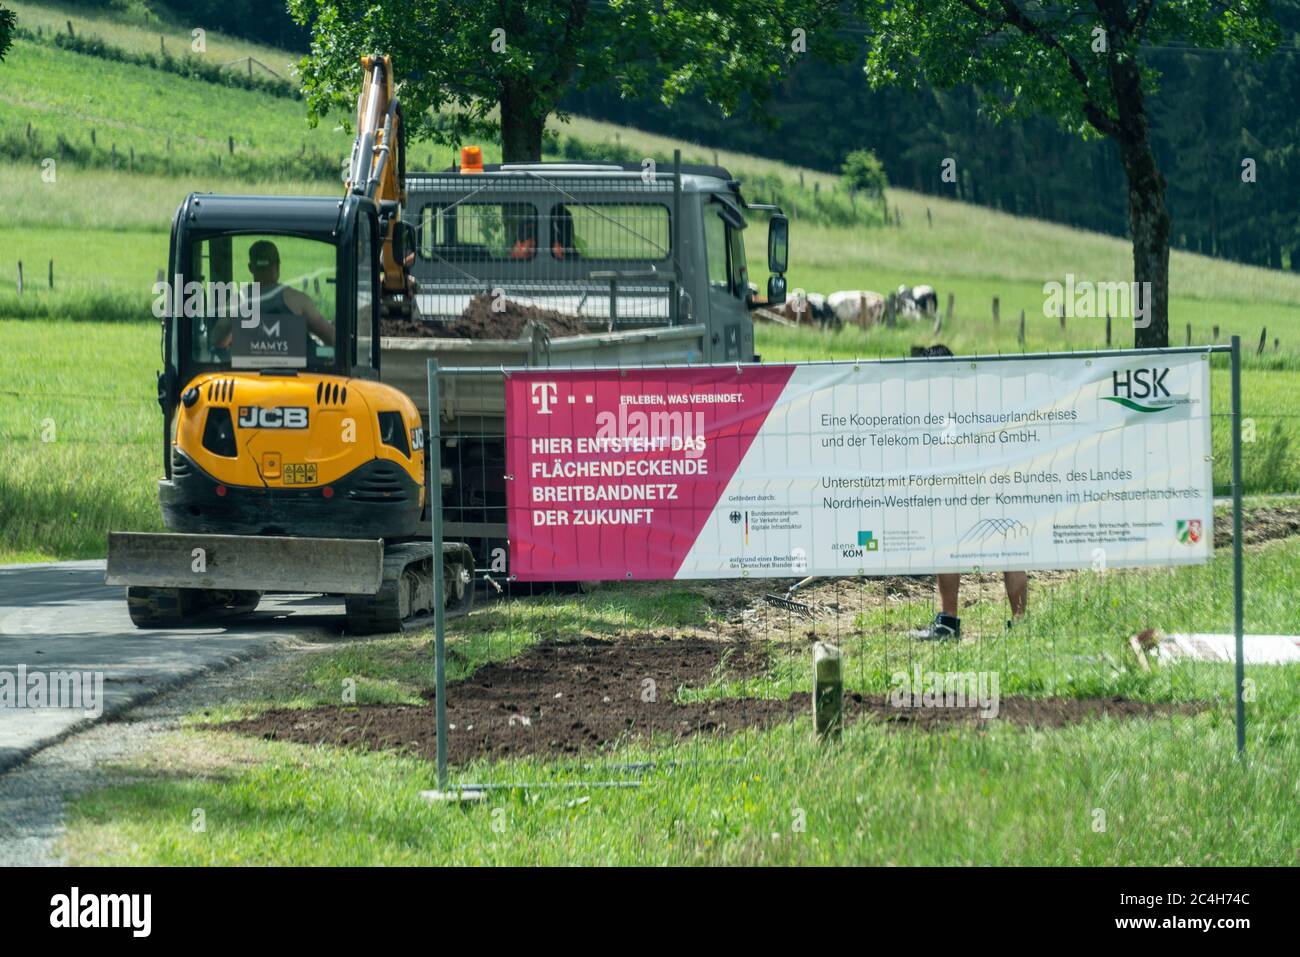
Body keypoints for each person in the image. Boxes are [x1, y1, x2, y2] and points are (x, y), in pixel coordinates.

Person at [908, 343, 1028, 640]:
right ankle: (1021, 625)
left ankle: (949, 622)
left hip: (964, 490)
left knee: (950, 549)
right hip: (997, 486)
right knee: (1010, 553)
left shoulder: (939, 405)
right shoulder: (981, 391)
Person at [212, 240, 335, 349]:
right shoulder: (298, 301)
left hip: (247, 374)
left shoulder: (237, 302)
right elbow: (332, 338)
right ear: (277, 266)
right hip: (298, 374)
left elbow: (217, 342)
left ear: (251, 268)